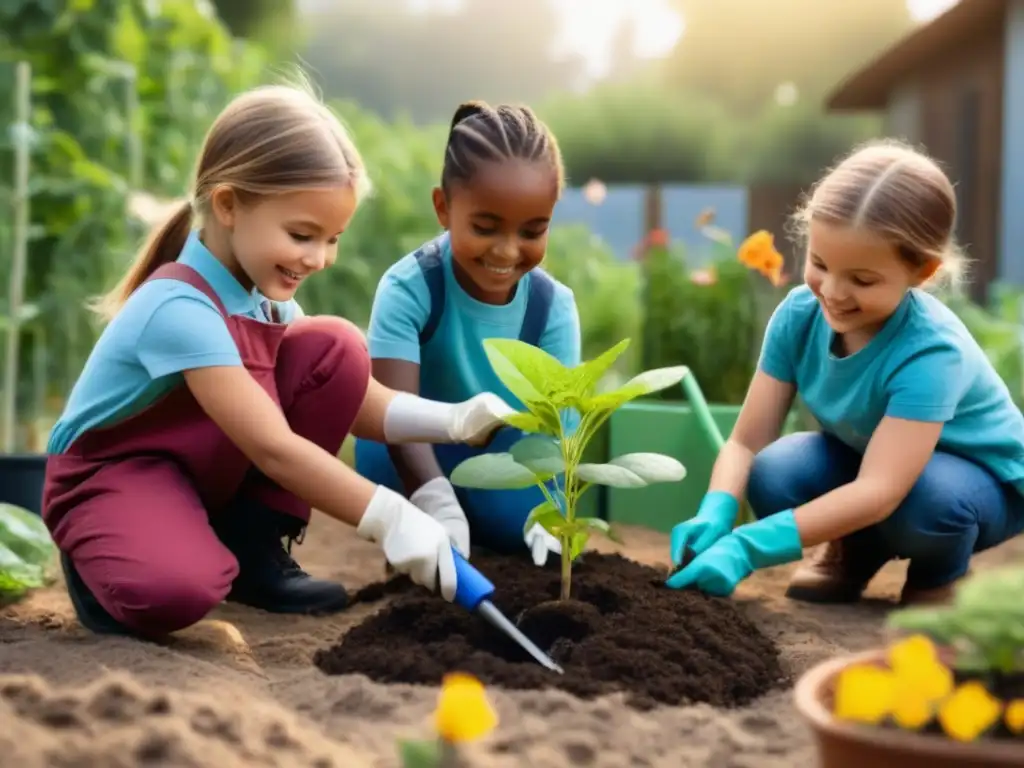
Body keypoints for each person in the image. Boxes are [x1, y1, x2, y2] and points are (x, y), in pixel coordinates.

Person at [42, 84, 516, 639]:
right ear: (228, 205)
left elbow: (354, 394)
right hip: (112, 475)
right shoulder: (178, 307)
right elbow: (273, 447)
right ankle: (99, 559)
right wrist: (392, 518)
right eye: (302, 235)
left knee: (334, 347)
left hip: (196, 470)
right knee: (180, 590)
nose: (319, 259)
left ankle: (252, 547)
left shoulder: (265, 294)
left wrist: (455, 420)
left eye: (333, 238)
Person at [666, 139, 1024, 605]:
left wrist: (748, 546)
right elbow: (745, 442)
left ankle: (939, 574)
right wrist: (717, 510)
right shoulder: (800, 315)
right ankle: (856, 550)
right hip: (876, 468)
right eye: (819, 264)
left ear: (923, 271)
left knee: (928, 504)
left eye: (862, 279)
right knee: (774, 474)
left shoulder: (931, 351)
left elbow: (880, 491)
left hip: (979, 483)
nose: (832, 292)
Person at [354, 100, 581, 565]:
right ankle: (439, 508)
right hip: (408, 456)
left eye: (532, 231)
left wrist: (551, 510)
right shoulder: (410, 288)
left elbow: (560, 431)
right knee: (408, 502)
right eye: (485, 227)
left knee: (518, 535)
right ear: (443, 207)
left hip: (506, 461)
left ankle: (481, 519)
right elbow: (395, 414)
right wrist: (436, 500)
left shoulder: (551, 308)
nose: (507, 250)